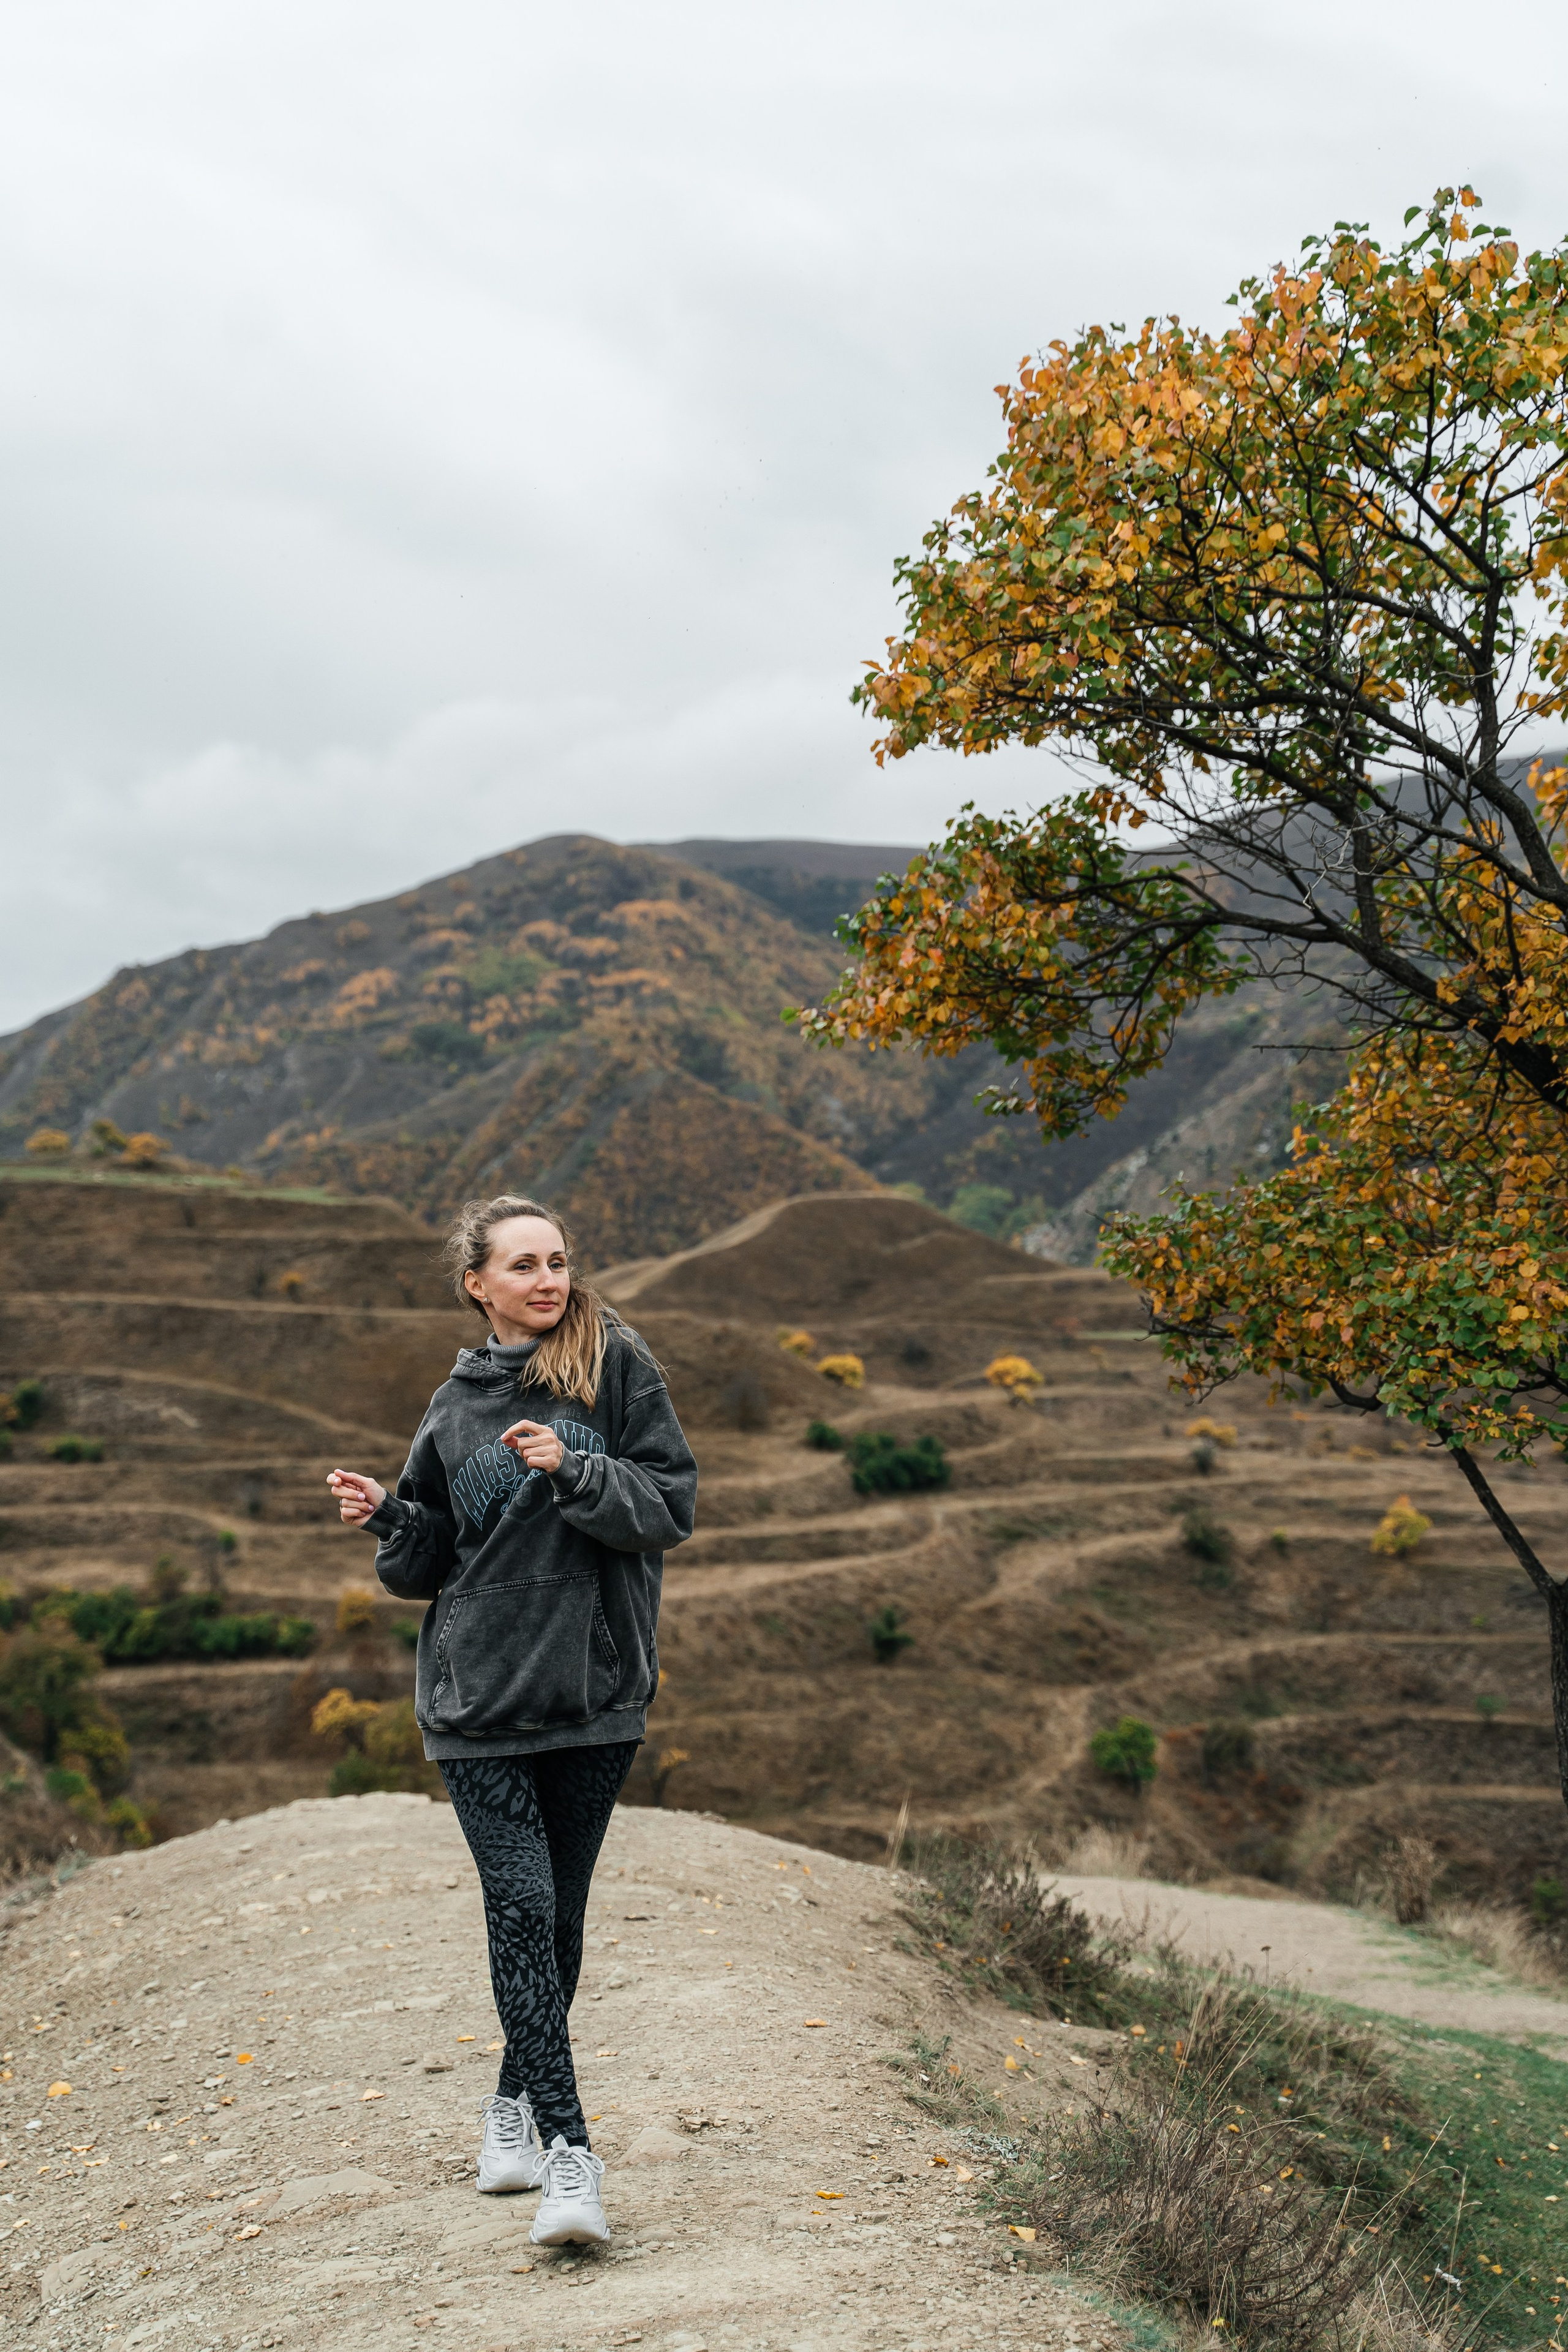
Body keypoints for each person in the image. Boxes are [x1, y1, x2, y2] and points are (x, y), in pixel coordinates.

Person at [326, 1194, 696, 2248]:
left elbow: (671, 1506)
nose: (548, 1280)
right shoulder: (450, 1407)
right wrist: (389, 1515)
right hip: (476, 1704)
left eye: (559, 1261)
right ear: (477, 1285)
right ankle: (570, 2157)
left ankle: (507, 2115)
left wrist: (575, 1468)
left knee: (559, 1923)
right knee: (521, 1907)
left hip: (593, 1694)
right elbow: (427, 1564)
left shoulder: (612, 1366)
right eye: (524, 1265)